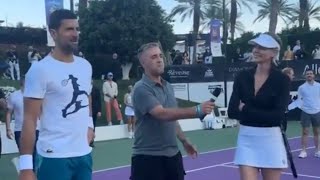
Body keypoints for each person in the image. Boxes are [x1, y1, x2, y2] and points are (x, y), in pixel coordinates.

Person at [19, 9, 94, 180]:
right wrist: (25, 167)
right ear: (53, 33)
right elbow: (30, 119)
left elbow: (86, 96)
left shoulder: (85, 66)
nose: (75, 34)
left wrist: (90, 126)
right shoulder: (40, 70)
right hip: (53, 156)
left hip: (83, 154)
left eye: (77, 29)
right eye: (69, 29)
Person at [130, 42, 215, 180]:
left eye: (160, 56)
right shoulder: (141, 88)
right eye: (153, 57)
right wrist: (197, 110)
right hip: (148, 159)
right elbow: (161, 114)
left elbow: (172, 118)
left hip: (173, 157)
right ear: (143, 63)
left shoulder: (168, 86)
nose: (159, 60)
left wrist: (184, 141)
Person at [228, 33, 290, 180]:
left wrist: (245, 109)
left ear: (273, 52)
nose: (255, 50)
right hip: (246, 139)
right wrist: (262, 114)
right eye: (255, 46)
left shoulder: (282, 80)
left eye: (262, 47)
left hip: (271, 140)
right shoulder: (242, 77)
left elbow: (277, 117)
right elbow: (232, 111)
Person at [5, 77, 40, 171]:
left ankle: (34, 174)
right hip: (20, 130)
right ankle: (27, 173)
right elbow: (9, 113)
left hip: (35, 128)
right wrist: (8, 129)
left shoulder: (35, 95)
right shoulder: (14, 96)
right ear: (22, 83)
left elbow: (41, 111)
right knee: (25, 155)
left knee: (36, 154)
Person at [297, 69, 320, 158]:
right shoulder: (301, 87)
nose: (309, 75)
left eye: (310, 74)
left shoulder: (319, 86)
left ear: (314, 75)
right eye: (307, 74)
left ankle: (317, 150)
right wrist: (303, 107)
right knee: (305, 132)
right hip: (305, 112)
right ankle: (303, 151)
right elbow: (299, 100)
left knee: (317, 132)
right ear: (305, 76)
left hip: (317, 111)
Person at [281, 67, 295, 132]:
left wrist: (290, 101)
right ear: (287, 74)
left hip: (284, 113)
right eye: (292, 74)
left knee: (283, 131)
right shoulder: (280, 84)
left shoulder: (286, 84)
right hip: (279, 114)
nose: (293, 76)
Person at [90, 80, 102, 147]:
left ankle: (91, 141)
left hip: (94, 110)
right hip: (86, 111)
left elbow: (99, 100)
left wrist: (99, 111)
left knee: (93, 125)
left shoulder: (96, 89)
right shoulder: (85, 88)